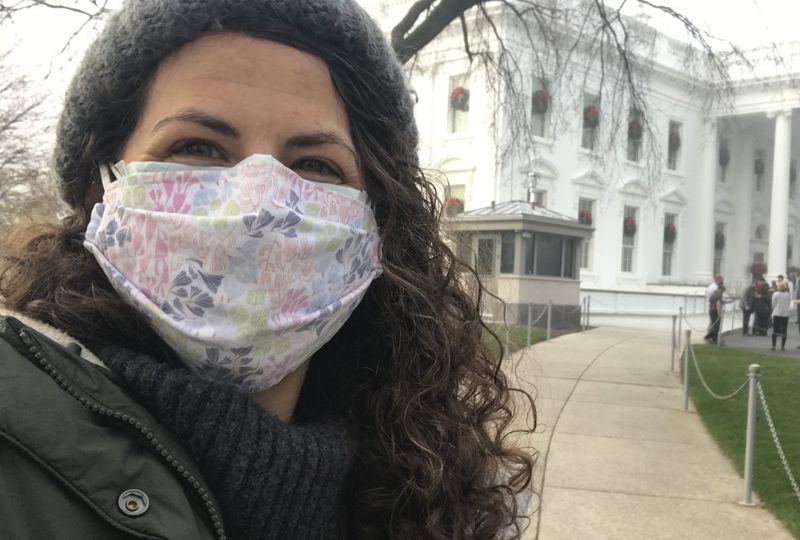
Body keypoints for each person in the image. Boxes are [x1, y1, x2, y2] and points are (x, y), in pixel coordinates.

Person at [0, 1, 534, 538]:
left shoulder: (436, 479)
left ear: (377, 218)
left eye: (314, 164)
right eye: (198, 148)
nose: (261, 204)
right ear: (100, 190)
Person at [771, 282, 791, 351]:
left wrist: (774, 310)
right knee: (784, 330)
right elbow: (788, 303)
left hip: (777, 313)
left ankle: (774, 345)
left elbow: (773, 304)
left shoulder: (775, 294)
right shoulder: (787, 294)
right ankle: (782, 346)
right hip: (785, 314)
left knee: (775, 330)